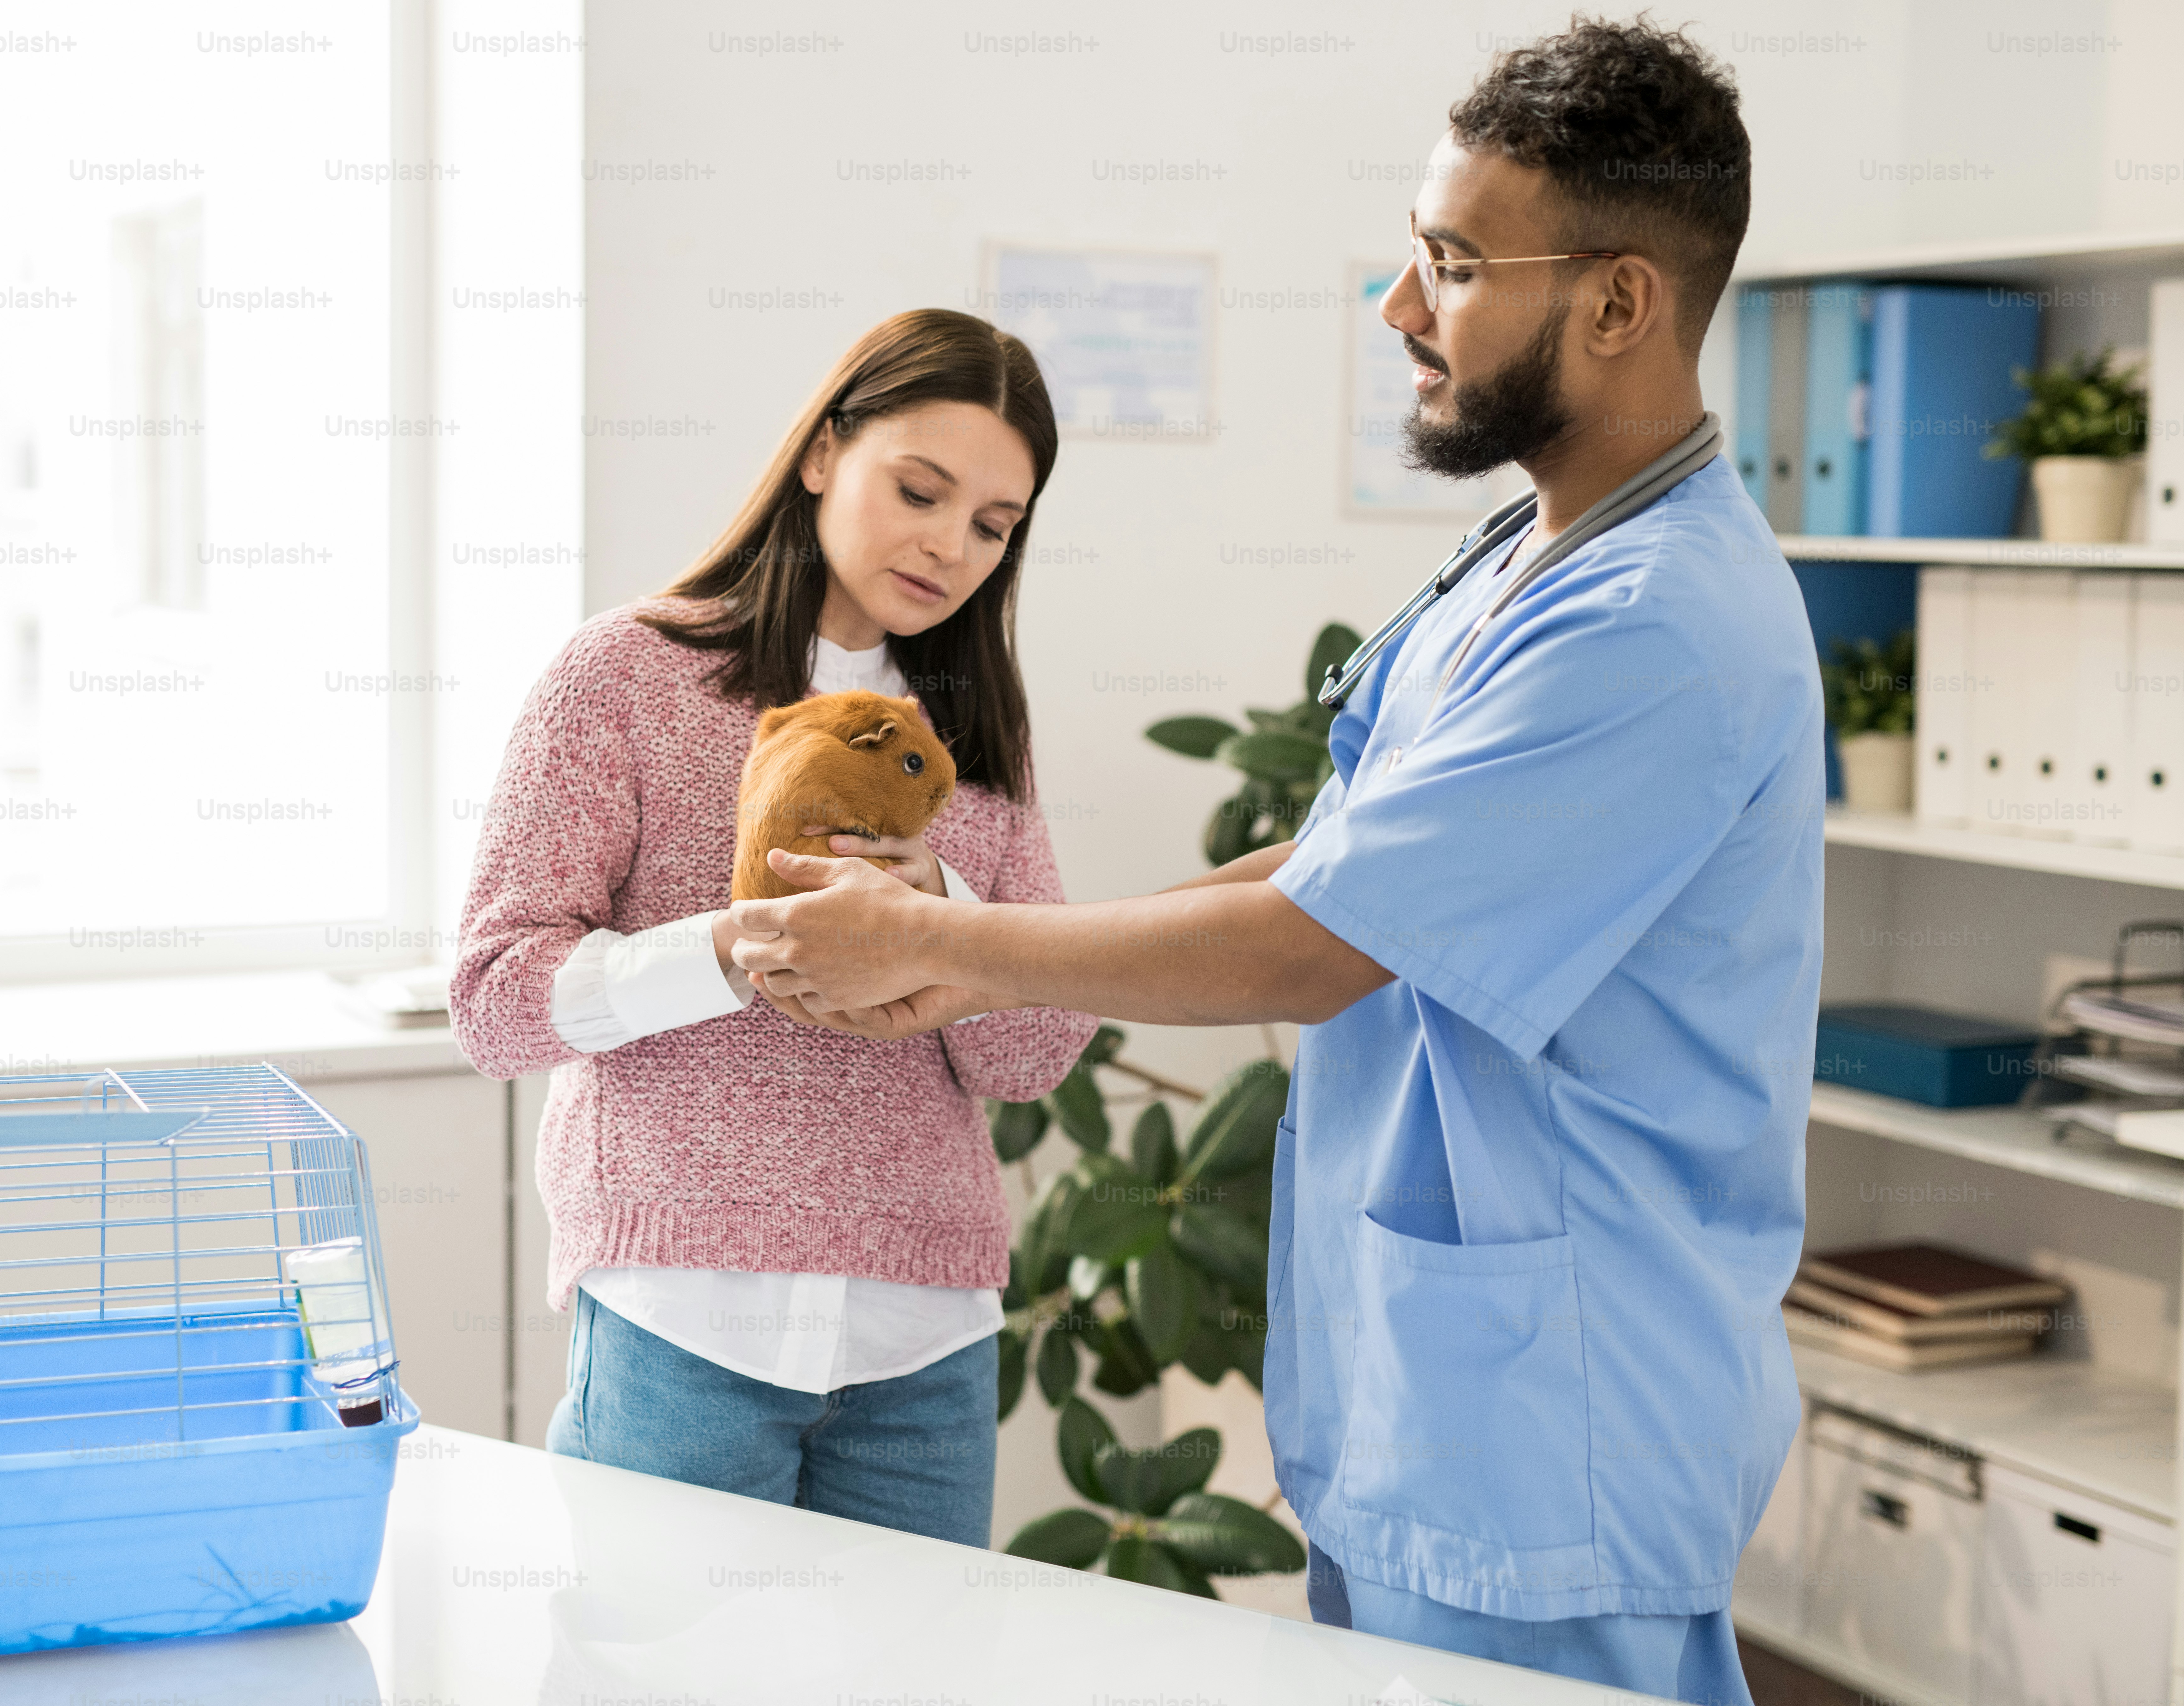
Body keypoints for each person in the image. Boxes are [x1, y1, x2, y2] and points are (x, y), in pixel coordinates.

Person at [728, 22, 1814, 1706]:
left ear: (1614, 303)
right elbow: (1328, 852)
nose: (1399, 311)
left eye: (1450, 267)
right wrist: (964, 936)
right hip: (1443, 1384)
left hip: (1555, 1417)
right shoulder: (1522, 560)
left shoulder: (1655, 623)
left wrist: (949, 945)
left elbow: (1323, 938)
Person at [449, 309, 1098, 1546]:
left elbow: (1034, 1056)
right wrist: (727, 950)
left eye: (992, 526)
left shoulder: (976, 738)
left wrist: (940, 923)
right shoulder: (620, 679)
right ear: (820, 454)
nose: (948, 545)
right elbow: (491, 999)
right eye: (920, 489)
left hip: (926, 1347)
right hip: (682, 1320)